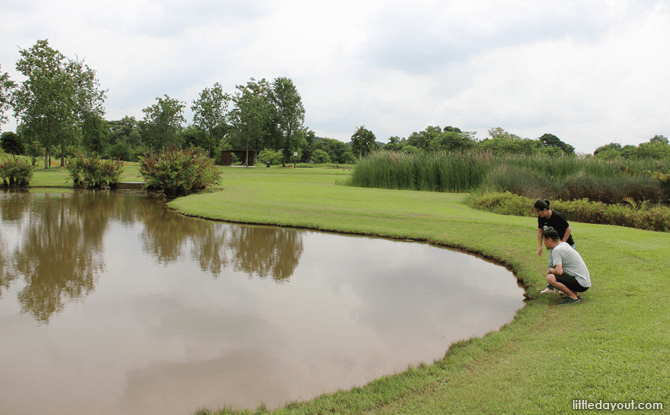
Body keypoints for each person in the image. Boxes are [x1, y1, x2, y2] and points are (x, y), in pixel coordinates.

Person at [534, 199, 576, 293]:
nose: (537, 213)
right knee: (551, 265)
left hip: (567, 245)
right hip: (555, 247)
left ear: (544, 209)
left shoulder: (558, 216)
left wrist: (562, 244)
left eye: (538, 211)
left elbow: (568, 230)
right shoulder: (541, 218)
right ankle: (551, 288)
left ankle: (565, 288)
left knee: (565, 268)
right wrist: (540, 246)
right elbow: (540, 231)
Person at [542, 227, 591, 304]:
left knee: (550, 277)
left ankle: (573, 298)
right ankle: (575, 295)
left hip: (581, 283)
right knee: (556, 274)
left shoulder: (556, 250)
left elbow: (559, 271)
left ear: (550, 240)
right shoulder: (564, 244)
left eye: (544, 241)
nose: (544, 243)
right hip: (585, 282)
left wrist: (551, 270)